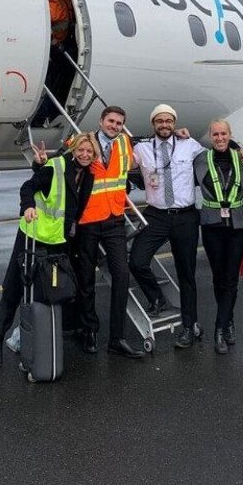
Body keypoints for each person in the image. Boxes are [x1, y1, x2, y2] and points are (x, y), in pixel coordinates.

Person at [0, 135, 95, 365]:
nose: (85, 155)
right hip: (32, 235)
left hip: (57, 242)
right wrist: (27, 206)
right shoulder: (57, 166)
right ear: (73, 150)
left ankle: (27, 341)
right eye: (81, 150)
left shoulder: (88, 176)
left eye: (90, 152)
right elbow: (29, 187)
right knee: (14, 288)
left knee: (48, 292)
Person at [129, 104, 205, 348]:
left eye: (168, 121)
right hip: (157, 215)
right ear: (153, 124)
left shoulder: (190, 145)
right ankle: (157, 298)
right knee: (137, 261)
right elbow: (121, 159)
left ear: (174, 123)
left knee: (186, 274)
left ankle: (189, 327)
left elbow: (217, 155)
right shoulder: (141, 148)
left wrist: (240, 151)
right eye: (159, 121)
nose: (164, 125)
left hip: (185, 217)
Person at [72, 106, 144, 358]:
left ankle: (117, 338)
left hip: (114, 218)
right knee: (86, 279)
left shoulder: (124, 143)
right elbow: (63, 164)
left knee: (122, 276)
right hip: (88, 221)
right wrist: (40, 164)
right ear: (101, 121)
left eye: (119, 123)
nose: (114, 126)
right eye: (111, 121)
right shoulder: (83, 141)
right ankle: (89, 330)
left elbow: (151, 147)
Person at [193, 118, 243, 355]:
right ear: (210, 136)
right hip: (211, 224)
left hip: (237, 225)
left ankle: (220, 327)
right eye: (215, 134)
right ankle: (228, 319)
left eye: (223, 134)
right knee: (219, 277)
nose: (219, 138)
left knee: (231, 277)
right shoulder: (200, 160)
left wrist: (241, 148)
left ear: (230, 135)